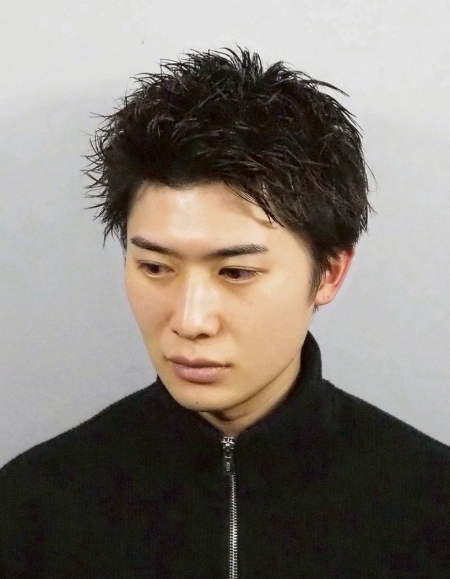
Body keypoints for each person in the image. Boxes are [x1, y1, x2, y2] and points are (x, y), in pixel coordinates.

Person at [1, 47, 449, 578]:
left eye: (236, 272)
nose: (190, 321)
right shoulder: (32, 507)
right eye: (155, 267)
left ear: (329, 273)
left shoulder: (430, 506)